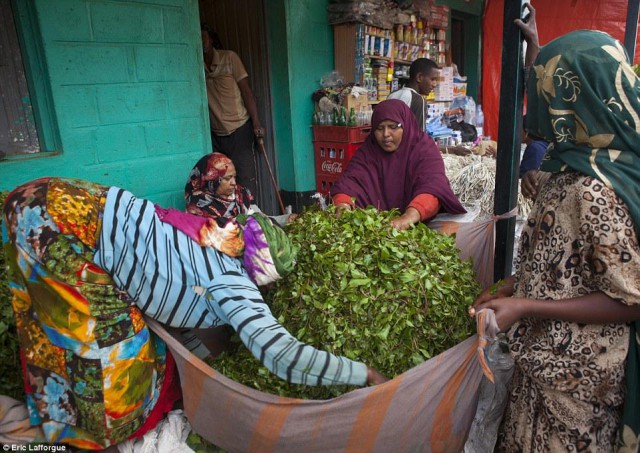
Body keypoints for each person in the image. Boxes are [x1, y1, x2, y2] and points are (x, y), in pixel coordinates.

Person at [2, 177, 388, 448]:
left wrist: (209, 374)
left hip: (61, 197)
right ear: (263, 273)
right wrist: (361, 372)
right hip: (57, 223)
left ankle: (67, 413)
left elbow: (175, 310)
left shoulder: (213, 234)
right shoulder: (234, 285)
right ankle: (86, 433)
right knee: (110, 359)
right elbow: (282, 356)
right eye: (271, 283)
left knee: (125, 334)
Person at [469, 29, 640, 451]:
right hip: (542, 367)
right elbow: (564, 262)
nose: (535, 115)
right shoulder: (571, 169)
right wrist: (514, 286)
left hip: (576, 385)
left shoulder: (594, 189)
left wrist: (526, 305)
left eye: (546, 97)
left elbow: (630, 299)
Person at [331, 99, 466, 231]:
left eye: (393, 127)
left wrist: (407, 218)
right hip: (375, 229)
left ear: (406, 125)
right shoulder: (367, 152)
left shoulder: (423, 149)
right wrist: (343, 207)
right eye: (379, 128)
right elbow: (348, 184)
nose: (386, 134)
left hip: (418, 224)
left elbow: (433, 188)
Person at [201, 26, 263, 198]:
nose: (200, 41)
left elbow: (246, 91)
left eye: (203, 37)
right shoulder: (196, 65)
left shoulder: (229, 58)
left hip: (239, 130)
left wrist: (256, 122)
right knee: (221, 183)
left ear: (211, 39)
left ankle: (252, 219)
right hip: (216, 135)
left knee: (245, 181)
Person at [387, 57, 439, 132]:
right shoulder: (418, 100)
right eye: (432, 79)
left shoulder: (392, 95)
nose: (434, 84)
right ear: (419, 77)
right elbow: (419, 135)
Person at [518, 114, 548, 178]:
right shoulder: (545, 145)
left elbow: (522, 178)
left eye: (519, 129)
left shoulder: (534, 148)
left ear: (526, 132)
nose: (516, 132)